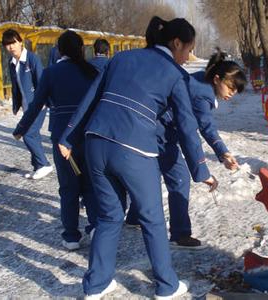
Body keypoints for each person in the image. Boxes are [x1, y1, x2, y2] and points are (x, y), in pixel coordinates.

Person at [58, 16, 218, 299]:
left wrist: (68, 135)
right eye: (188, 49)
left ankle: (97, 284)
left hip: (95, 143)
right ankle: (167, 286)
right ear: (176, 42)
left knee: (109, 216)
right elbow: (186, 126)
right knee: (152, 219)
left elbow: (92, 98)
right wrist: (201, 170)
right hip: (134, 149)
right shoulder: (173, 74)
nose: (187, 57)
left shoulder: (121, 58)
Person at [125, 48, 247, 250]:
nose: (232, 94)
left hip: (153, 127)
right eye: (231, 88)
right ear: (217, 79)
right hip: (161, 132)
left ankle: (134, 216)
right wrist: (208, 165)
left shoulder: (201, 79)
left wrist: (222, 153)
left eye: (235, 91)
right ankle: (180, 234)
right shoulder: (203, 95)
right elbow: (203, 128)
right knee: (179, 178)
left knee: (151, 174)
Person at [12, 30, 99, 251]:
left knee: (69, 188)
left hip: (62, 139)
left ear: (58, 50)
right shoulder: (92, 72)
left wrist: (21, 128)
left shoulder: (51, 72)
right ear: (82, 49)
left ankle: (71, 236)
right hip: (89, 136)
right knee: (91, 183)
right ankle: (96, 226)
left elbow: (36, 105)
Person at [2, 28, 53, 180]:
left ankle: (44, 164)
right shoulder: (12, 63)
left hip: (38, 105)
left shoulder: (32, 59)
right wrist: (16, 104)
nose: (11, 47)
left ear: (20, 42)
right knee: (34, 134)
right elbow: (16, 85)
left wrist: (43, 101)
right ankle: (38, 166)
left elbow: (42, 81)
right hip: (27, 107)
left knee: (28, 134)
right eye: (7, 44)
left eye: (13, 43)